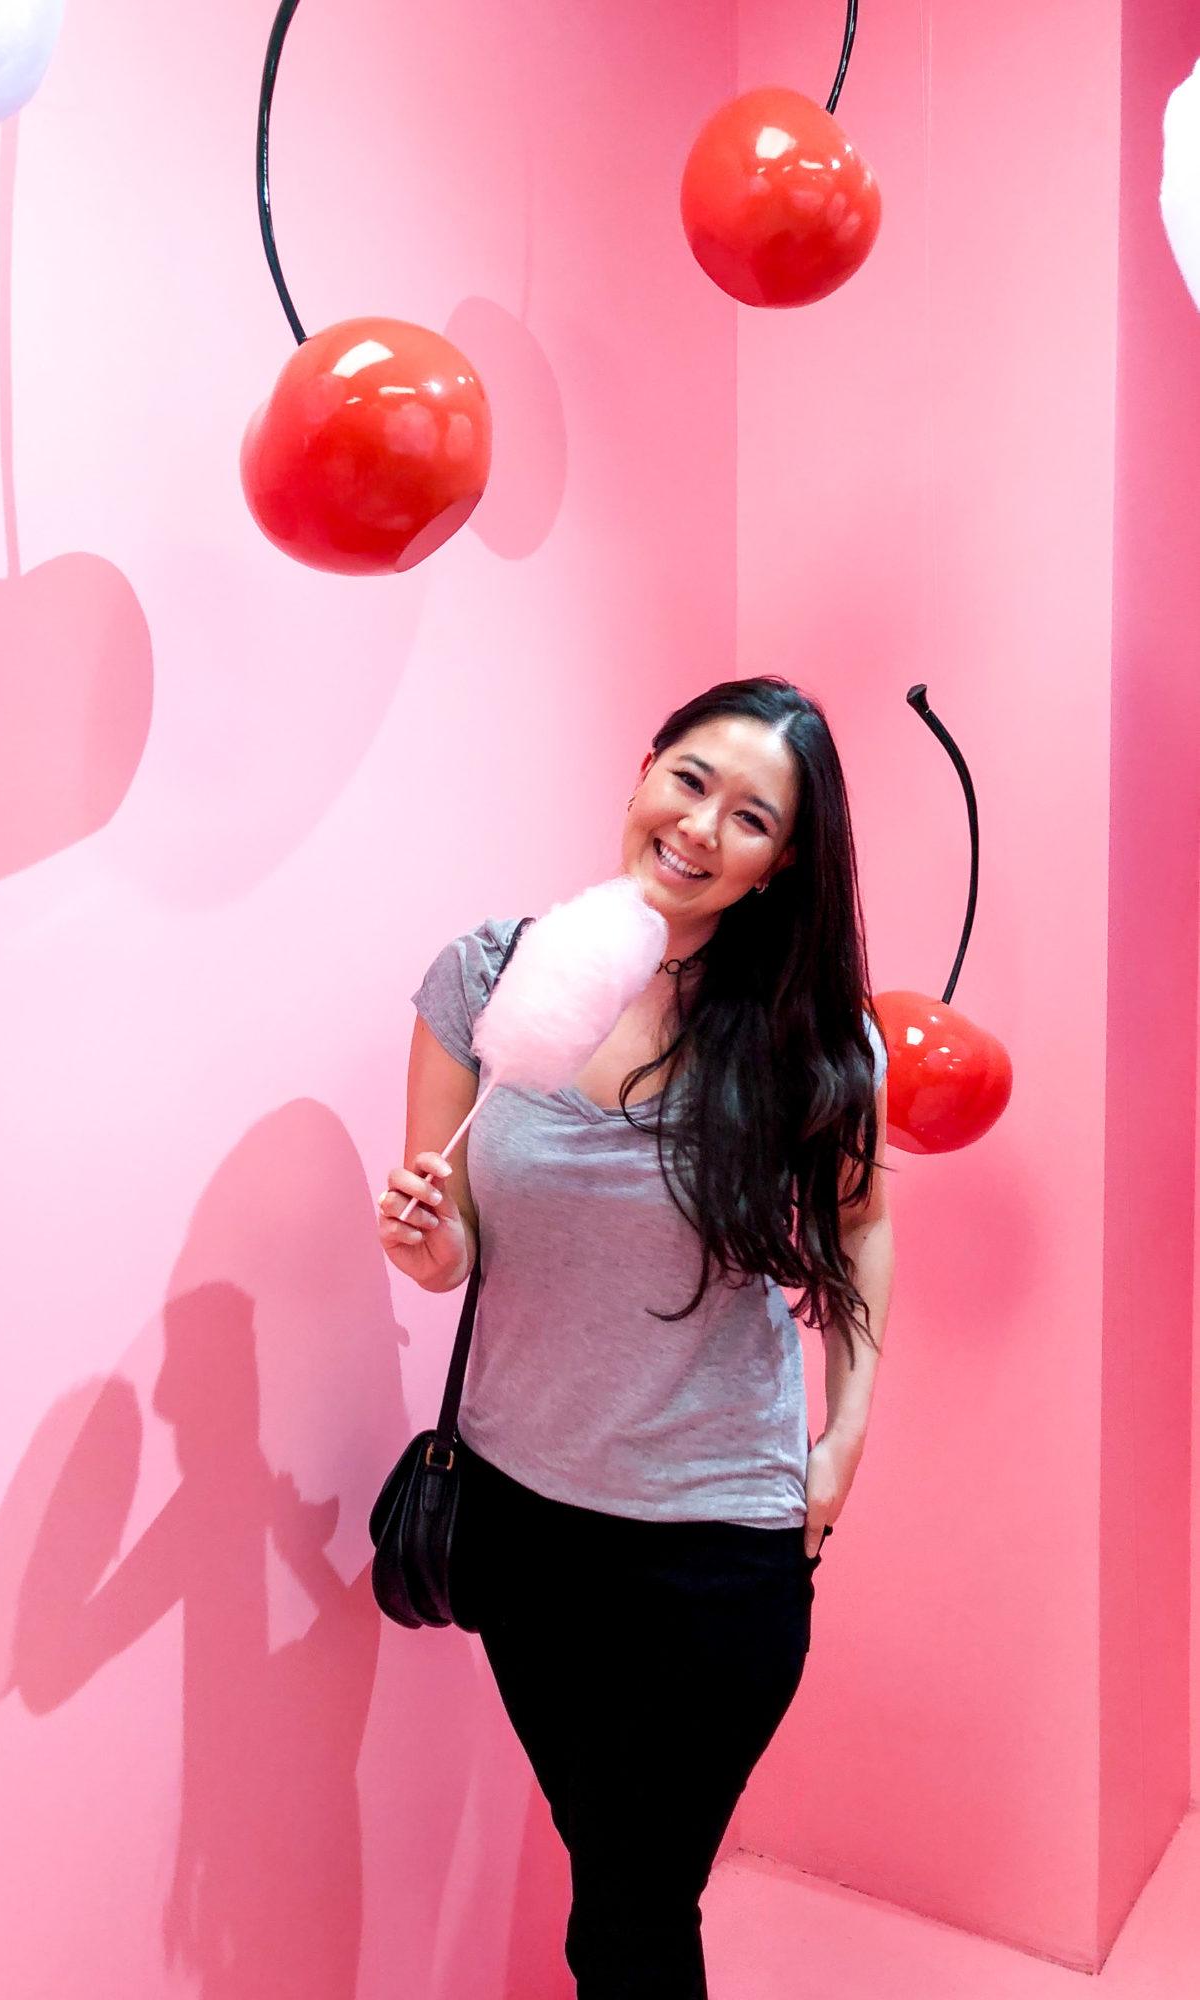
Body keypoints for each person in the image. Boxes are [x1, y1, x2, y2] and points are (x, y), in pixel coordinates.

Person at [375, 677, 895, 1999]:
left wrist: (843, 1439)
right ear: (645, 771)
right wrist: (429, 1244)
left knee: (634, 1904)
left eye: (752, 818)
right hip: (520, 1520)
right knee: (616, 1882)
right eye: (691, 780)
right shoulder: (487, 976)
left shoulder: (807, 1040)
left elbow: (861, 1224)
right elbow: (460, 1240)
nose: (703, 827)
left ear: (783, 864)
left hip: (714, 1543)